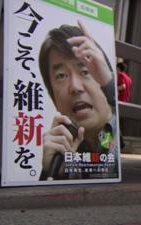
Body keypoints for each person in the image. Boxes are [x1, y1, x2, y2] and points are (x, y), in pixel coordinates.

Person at [38, 21, 118, 180]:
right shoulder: (61, 150)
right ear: (53, 96)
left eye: (85, 70)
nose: (75, 87)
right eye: (61, 76)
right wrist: (51, 172)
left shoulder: (116, 136)